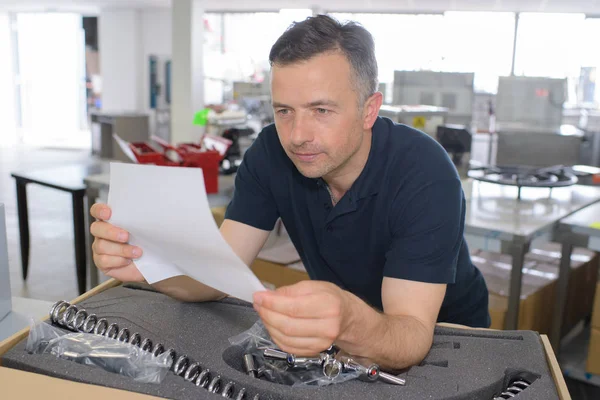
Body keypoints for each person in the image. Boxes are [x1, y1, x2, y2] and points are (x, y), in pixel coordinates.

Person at [90, 14, 490, 371]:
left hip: (447, 341)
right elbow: (215, 276)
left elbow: (410, 337)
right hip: (341, 335)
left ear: (369, 110)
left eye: (321, 111)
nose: (298, 136)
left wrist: (348, 319)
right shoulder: (270, 153)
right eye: (284, 111)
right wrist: (150, 266)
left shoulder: (424, 173)